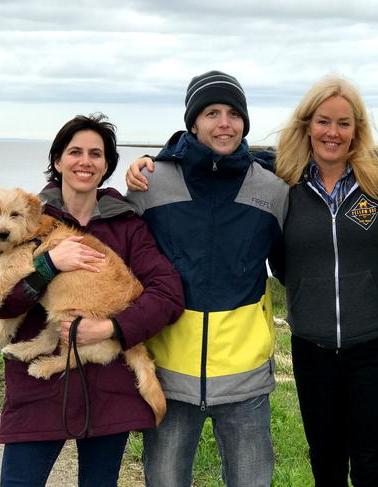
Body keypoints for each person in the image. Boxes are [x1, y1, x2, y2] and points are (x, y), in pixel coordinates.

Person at [0, 113, 185, 486]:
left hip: (109, 391)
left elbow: (168, 294)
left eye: (96, 153)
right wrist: (48, 266)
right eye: (75, 152)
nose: (85, 161)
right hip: (37, 389)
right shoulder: (25, 218)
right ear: (57, 161)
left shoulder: (127, 224)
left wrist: (111, 327)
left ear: (107, 166)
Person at [124, 70, 289, 487]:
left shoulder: (272, 189)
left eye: (234, 114)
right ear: (192, 122)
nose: (224, 123)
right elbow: (121, 259)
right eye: (212, 112)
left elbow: (293, 265)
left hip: (245, 376)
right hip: (168, 375)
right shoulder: (150, 183)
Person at [271, 76, 378, 487]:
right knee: (325, 461)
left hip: (376, 345)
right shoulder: (282, 180)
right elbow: (218, 153)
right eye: (324, 121)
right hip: (312, 347)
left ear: (357, 129)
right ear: (307, 124)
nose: (333, 132)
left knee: (370, 461)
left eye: (344, 123)